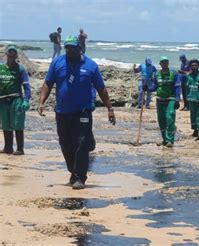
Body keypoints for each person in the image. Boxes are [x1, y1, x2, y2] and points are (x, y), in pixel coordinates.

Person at [38, 36, 116, 190]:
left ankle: (80, 177)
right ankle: (73, 173)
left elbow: (101, 88)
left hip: (83, 112)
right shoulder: (57, 63)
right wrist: (41, 102)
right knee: (65, 144)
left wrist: (110, 108)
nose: (69, 50)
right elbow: (48, 83)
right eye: (67, 47)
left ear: (80, 48)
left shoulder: (90, 65)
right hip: (62, 112)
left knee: (81, 144)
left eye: (73, 47)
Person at [0, 45, 31, 155]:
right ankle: (8, 148)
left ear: (16, 56)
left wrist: (26, 100)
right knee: (5, 124)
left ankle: (20, 149)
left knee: (18, 124)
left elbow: (26, 86)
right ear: (6, 55)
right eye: (9, 55)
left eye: (13, 55)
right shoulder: (1, 68)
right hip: (2, 101)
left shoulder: (20, 69)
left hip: (16, 100)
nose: (11, 57)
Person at [154, 56, 180, 147]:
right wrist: (148, 88)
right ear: (160, 64)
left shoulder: (174, 73)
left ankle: (170, 140)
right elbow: (154, 85)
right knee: (161, 120)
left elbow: (177, 87)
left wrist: (177, 100)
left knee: (170, 118)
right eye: (163, 62)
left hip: (170, 99)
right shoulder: (157, 74)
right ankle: (164, 139)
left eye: (166, 62)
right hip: (160, 99)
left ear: (168, 63)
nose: (164, 64)